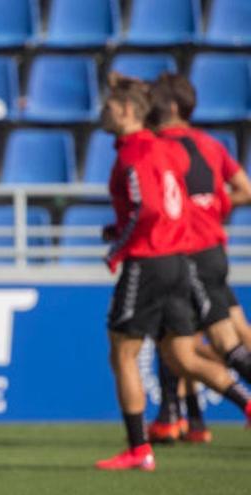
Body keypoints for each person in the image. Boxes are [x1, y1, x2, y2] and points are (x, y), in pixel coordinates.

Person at [96, 73, 251, 472]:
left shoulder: (139, 151)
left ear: (129, 110)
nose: (103, 112)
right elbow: (192, 193)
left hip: (161, 255)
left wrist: (120, 244)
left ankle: (139, 448)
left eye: (110, 106)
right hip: (187, 258)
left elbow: (148, 207)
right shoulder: (180, 150)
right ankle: (234, 406)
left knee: (126, 352)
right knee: (182, 353)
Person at [144, 73, 251, 444]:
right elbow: (244, 190)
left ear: (170, 107)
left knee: (217, 341)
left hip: (187, 252)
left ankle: (178, 416)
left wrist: (188, 211)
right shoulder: (210, 144)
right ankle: (181, 418)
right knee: (178, 337)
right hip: (212, 253)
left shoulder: (160, 147)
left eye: (154, 100)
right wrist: (216, 204)